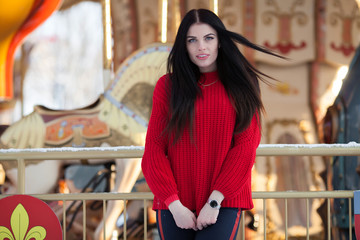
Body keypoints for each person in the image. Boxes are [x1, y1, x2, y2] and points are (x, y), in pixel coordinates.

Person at [141, 8, 282, 240]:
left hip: (224, 200)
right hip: (174, 204)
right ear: (184, 46)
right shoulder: (168, 87)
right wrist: (174, 205)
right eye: (192, 40)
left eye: (208, 38)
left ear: (220, 42)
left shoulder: (242, 85)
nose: (201, 47)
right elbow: (154, 150)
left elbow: (245, 148)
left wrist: (215, 200)